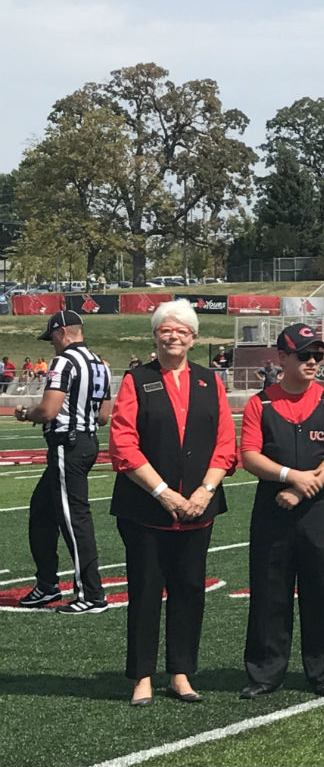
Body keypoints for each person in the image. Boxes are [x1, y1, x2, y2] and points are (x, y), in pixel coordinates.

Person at [109, 300, 237, 706]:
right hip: (145, 509)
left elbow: (225, 444)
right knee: (145, 592)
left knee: (188, 592)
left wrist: (205, 492)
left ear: (194, 337)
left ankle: (181, 673)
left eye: (182, 330)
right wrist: (164, 493)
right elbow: (123, 444)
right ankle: (142, 677)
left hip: (199, 510)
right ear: (155, 335)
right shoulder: (136, 379)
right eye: (166, 329)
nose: (174, 335)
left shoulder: (209, 381)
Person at [238, 324, 324, 699]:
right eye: (304, 355)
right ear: (282, 358)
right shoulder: (261, 403)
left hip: (318, 506)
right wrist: (290, 477)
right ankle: (266, 671)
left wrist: (303, 488)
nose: (313, 362)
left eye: (318, 355)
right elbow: (250, 456)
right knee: (271, 590)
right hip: (273, 507)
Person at [13, 311, 113, 613]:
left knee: (74, 519)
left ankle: (92, 594)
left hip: (66, 445)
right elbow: (104, 415)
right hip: (86, 441)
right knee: (42, 510)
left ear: (61, 333)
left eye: (52, 338)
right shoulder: (100, 364)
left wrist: (25, 413)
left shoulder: (64, 362)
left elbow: (48, 410)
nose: (52, 345)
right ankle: (47, 584)